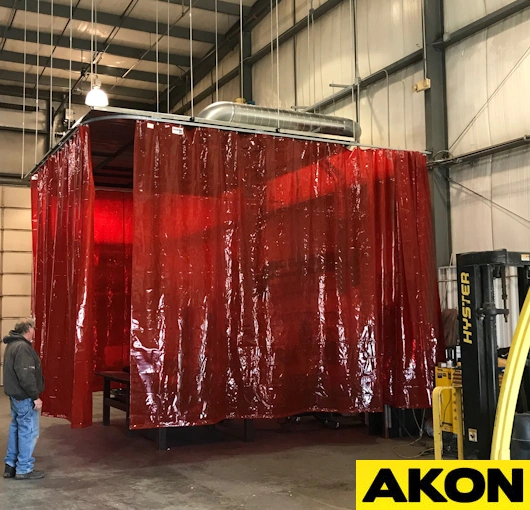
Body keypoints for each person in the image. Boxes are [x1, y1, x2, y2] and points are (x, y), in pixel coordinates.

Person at [3, 318, 44, 480]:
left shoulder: (12, 345)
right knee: (29, 431)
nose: (35, 331)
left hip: (15, 396)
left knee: (16, 429)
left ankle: (11, 465)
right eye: (33, 328)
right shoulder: (22, 348)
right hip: (24, 397)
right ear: (28, 329)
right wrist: (35, 397)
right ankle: (24, 468)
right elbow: (26, 375)